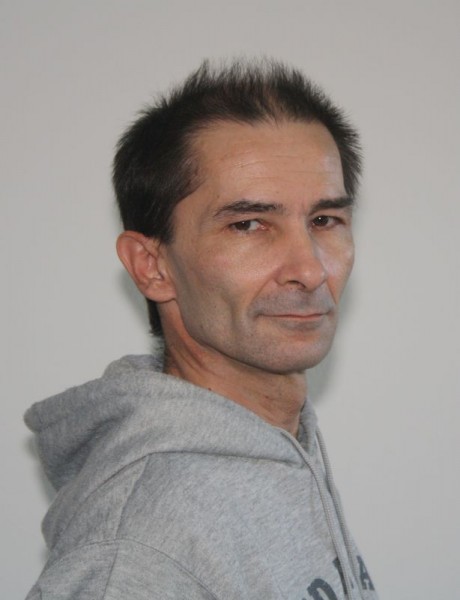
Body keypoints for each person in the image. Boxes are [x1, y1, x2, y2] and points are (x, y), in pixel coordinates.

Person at [25, 60, 378, 600]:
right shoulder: (137, 554)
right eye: (248, 225)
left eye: (324, 220)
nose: (309, 269)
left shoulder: (286, 443)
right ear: (152, 266)